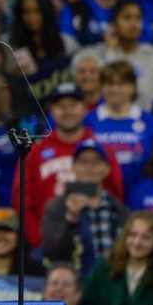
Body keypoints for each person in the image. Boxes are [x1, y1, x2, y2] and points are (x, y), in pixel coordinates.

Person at [13, 82, 124, 248]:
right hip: (49, 243)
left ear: (85, 108)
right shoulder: (34, 152)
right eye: (61, 106)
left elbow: (116, 195)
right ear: (51, 110)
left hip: (97, 242)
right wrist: (39, 243)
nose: (68, 111)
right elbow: (22, 201)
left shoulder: (102, 149)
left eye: (73, 105)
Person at [42, 139, 132, 272]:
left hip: (111, 281)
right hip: (74, 286)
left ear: (106, 169)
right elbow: (53, 256)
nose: (89, 167)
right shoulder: (56, 208)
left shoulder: (120, 210)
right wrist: (71, 218)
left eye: (95, 162)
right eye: (83, 162)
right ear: (73, 167)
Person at [85, 60, 153, 194]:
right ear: (101, 87)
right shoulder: (88, 120)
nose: (115, 90)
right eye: (109, 84)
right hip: (98, 196)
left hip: (140, 194)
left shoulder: (149, 120)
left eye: (121, 84)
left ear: (133, 87)